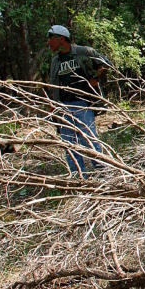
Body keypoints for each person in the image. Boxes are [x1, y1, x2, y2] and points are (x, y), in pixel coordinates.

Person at [47, 25, 111, 177]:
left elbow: (106, 64)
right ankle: (79, 177)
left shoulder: (84, 52)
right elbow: (53, 85)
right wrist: (53, 106)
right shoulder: (55, 61)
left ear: (61, 38)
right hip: (62, 107)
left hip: (82, 103)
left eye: (50, 39)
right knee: (69, 144)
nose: (48, 43)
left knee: (88, 139)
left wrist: (95, 78)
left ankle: (103, 171)